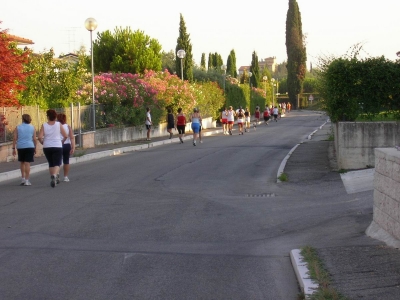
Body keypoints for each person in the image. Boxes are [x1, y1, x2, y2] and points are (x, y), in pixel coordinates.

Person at [38, 109, 68, 188]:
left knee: (51, 163)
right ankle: (54, 175)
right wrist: (62, 142)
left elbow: (40, 137)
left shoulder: (44, 125)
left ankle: (53, 177)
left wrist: (42, 142)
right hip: (57, 145)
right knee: (57, 163)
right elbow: (65, 135)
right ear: (55, 117)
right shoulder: (58, 124)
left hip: (47, 146)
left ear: (47, 117)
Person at [12, 114, 37, 186]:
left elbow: (14, 138)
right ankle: (27, 180)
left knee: (22, 162)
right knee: (27, 163)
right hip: (30, 146)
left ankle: (23, 178)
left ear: (22, 119)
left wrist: (13, 148)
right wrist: (35, 147)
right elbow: (34, 139)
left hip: (20, 146)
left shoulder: (18, 127)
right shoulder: (32, 127)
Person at [57, 113, 75, 182]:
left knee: (57, 161)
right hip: (67, 145)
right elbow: (72, 138)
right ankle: (65, 177)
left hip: (58, 145)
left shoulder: (56, 126)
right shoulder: (68, 126)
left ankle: (57, 174)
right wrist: (73, 147)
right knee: (66, 161)